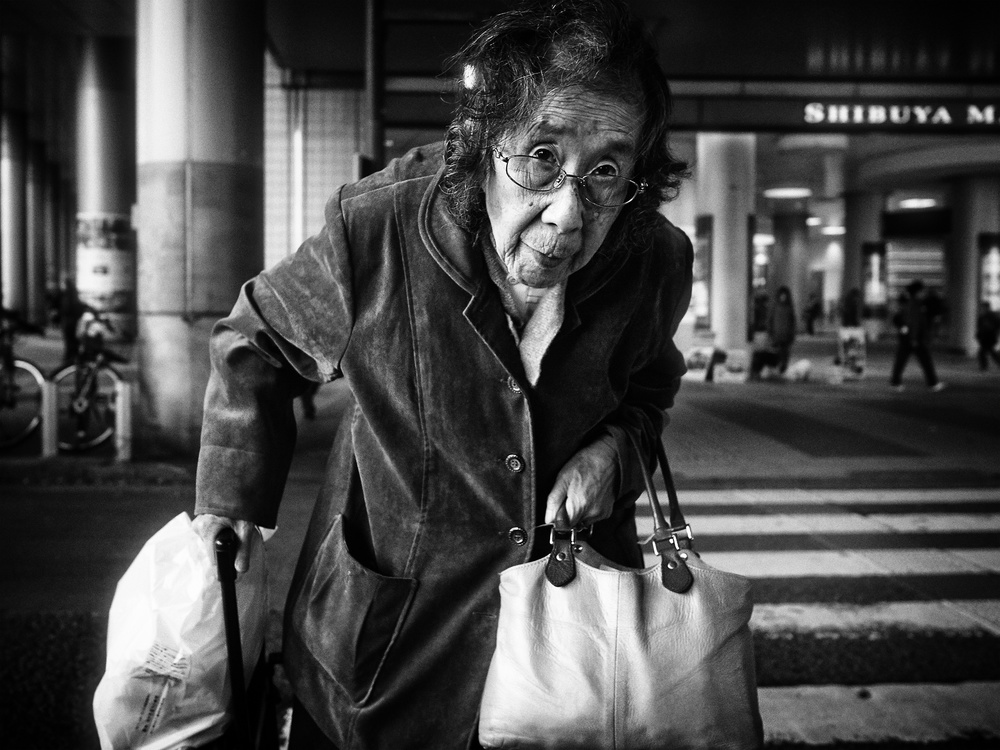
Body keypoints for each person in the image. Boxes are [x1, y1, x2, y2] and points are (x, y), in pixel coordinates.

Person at [191, 1, 693, 748]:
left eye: (606, 173)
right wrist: (229, 506)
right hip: (389, 654)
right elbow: (253, 345)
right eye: (543, 158)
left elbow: (649, 389)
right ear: (485, 139)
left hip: (573, 644)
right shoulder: (377, 228)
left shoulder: (653, 260)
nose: (566, 214)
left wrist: (615, 457)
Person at [890, 280, 944, 391]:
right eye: (922, 291)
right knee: (925, 360)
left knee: (902, 360)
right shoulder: (915, 304)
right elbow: (914, 322)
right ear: (918, 292)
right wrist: (914, 339)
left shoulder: (912, 303)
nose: (923, 293)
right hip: (915, 338)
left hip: (910, 337)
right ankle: (933, 383)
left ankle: (895, 382)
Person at [766, 285, 797, 373]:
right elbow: (769, 320)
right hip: (776, 335)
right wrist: (770, 333)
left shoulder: (789, 307)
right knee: (776, 353)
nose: (783, 297)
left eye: (785, 295)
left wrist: (792, 333)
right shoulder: (774, 306)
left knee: (785, 353)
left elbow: (793, 322)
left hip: (787, 335)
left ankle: (783, 367)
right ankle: (777, 367)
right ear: (779, 295)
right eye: (782, 295)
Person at [975, 300, 1000, 371]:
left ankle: (983, 367)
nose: (982, 308)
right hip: (986, 337)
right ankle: (984, 366)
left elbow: (996, 326)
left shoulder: (990, 316)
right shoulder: (983, 316)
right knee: (990, 352)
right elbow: (980, 327)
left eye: (983, 307)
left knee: (983, 352)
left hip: (989, 337)